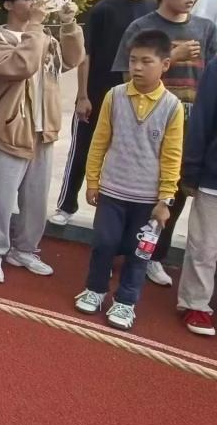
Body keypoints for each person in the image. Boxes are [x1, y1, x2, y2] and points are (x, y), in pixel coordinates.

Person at [111, 0, 215, 286]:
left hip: (190, 122)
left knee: (174, 192)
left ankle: (154, 254)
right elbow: (128, 77)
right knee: (137, 187)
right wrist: (172, 57)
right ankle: (118, 251)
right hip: (149, 119)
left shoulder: (206, 28)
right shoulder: (142, 27)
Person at [76, 30, 183, 330]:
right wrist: (93, 181)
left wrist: (165, 200)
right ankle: (96, 289)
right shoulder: (115, 96)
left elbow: (172, 156)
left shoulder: (172, 106)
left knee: (140, 253)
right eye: (133, 60)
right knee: (104, 243)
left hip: (147, 199)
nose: (137, 67)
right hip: (112, 191)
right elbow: (99, 141)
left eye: (146, 61)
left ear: (164, 64)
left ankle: (125, 301)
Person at [0, 0, 85, 283]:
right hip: (10, 130)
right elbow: (22, 66)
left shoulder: (45, 38)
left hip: (44, 131)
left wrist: (69, 24)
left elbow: (73, 59)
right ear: (8, 4)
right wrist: (36, 26)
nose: (36, 4)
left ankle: (25, 249)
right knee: (0, 200)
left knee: (36, 200)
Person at [52, 0, 164, 226]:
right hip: (98, 92)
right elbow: (86, 54)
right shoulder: (104, 8)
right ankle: (66, 205)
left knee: (127, 153)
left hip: (135, 96)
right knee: (83, 149)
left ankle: (117, 213)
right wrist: (82, 95)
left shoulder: (153, 9)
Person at [179, 54, 217, 336]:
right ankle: (195, 303)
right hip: (213, 177)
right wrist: (191, 170)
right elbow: (201, 119)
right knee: (204, 245)